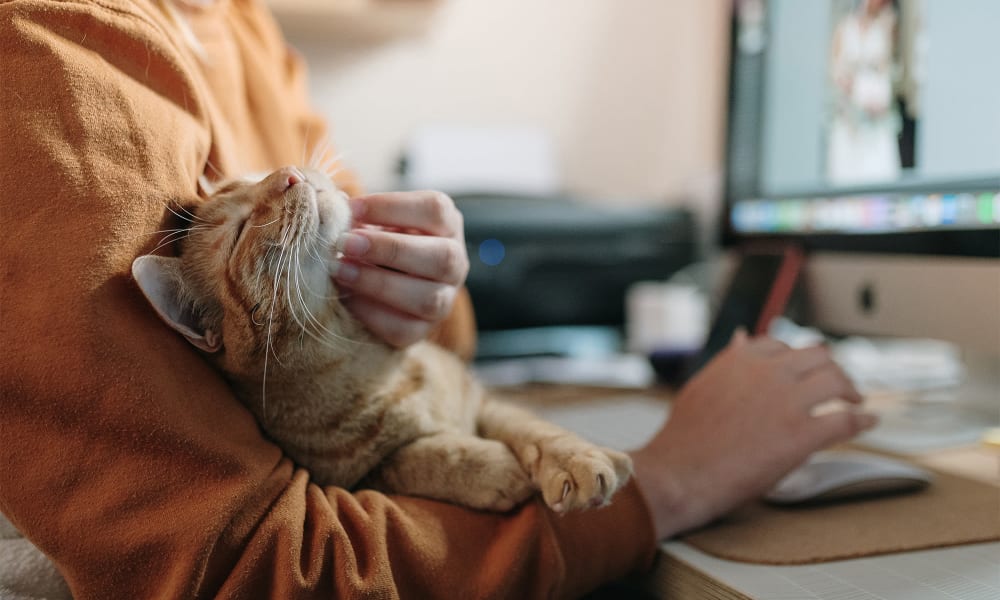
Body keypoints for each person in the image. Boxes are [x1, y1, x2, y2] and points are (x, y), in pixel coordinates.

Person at [0, 0, 876, 598]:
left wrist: (417, 291)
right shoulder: (45, 52)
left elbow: (432, 354)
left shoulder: (241, 27)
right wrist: (674, 482)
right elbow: (246, 570)